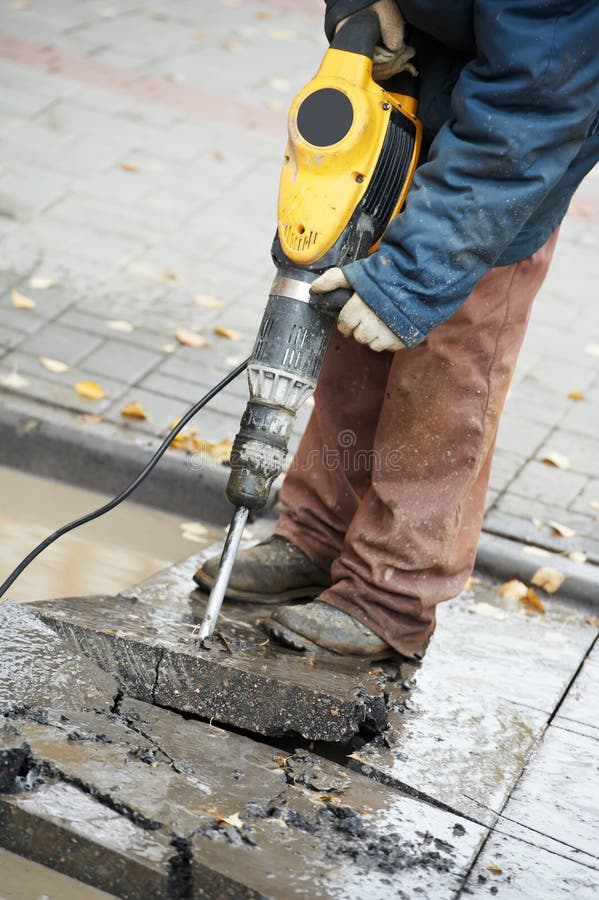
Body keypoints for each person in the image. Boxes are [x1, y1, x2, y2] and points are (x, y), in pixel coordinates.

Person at [196, 0, 599, 661]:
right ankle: (316, 539)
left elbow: (536, 105)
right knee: (348, 317)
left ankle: (391, 591)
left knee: (444, 361)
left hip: (511, 150)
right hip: (420, 89)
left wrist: (413, 278)